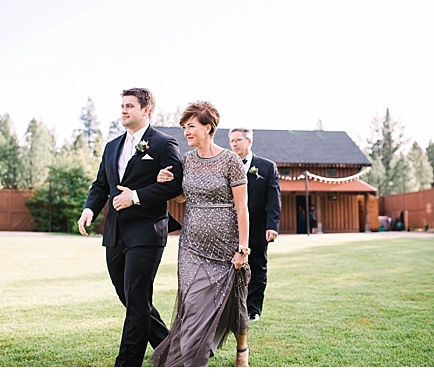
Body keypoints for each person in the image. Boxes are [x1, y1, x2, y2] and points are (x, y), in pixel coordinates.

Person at [78, 87, 184, 367]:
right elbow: (101, 184)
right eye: (122, 106)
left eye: (129, 106)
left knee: (136, 299)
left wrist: (135, 196)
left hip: (147, 231)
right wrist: (89, 209)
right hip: (114, 232)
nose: (123, 111)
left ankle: (126, 364)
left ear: (146, 109)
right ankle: (171, 348)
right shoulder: (112, 146)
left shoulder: (163, 143)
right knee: (128, 297)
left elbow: (175, 184)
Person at [151, 101, 252, 367]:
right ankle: (192, 359)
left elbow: (242, 207)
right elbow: (185, 198)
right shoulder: (187, 161)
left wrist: (242, 249)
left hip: (226, 246)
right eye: (184, 127)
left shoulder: (231, 161)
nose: (186, 131)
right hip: (192, 246)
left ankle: (242, 350)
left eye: (191, 126)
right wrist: (165, 181)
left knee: (235, 303)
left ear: (208, 128)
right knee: (193, 303)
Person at [229, 127, 282, 322]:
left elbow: (273, 199)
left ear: (249, 142)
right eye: (232, 141)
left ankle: (253, 309)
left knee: (258, 267)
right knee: (231, 268)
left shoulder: (267, 167)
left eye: (238, 140)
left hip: (258, 228)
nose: (234, 144)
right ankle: (232, 307)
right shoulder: (226, 164)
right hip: (231, 228)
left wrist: (272, 226)